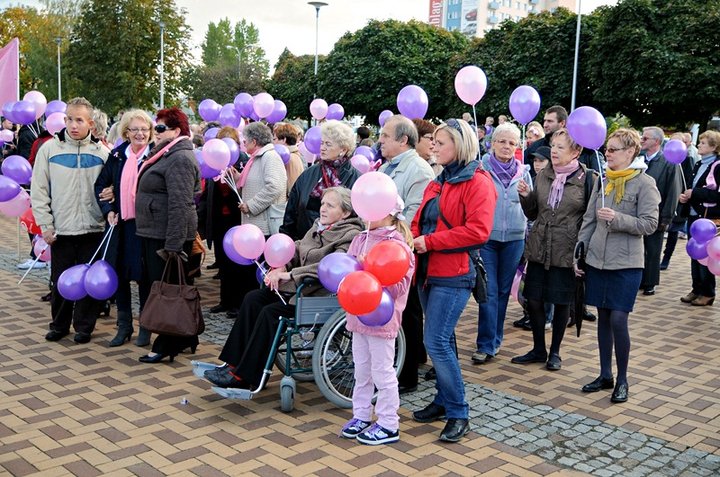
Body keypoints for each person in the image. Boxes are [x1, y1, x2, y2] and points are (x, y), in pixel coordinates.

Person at [204, 187, 364, 388]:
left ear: (346, 212)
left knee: (270, 313)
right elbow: (296, 249)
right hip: (297, 292)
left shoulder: (350, 235)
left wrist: (289, 274)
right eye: (322, 203)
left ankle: (245, 377)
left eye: (330, 206)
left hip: (317, 297)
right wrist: (281, 264)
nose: (322, 209)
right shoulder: (319, 227)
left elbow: (332, 268)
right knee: (253, 298)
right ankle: (232, 363)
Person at [411, 118, 496, 443]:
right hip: (427, 272)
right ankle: (443, 400)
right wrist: (414, 236)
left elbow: (478, 232)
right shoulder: (439, 179)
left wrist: (429, 242)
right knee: (441, 341)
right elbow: (420, 218)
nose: (434, 146)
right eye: (433, 141)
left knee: (436, 342)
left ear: (460, 145)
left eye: (441, 142)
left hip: (454, 274)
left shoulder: (477, 181)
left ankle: (459, 411)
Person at [576, 128, 660, 403]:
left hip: (626, 263)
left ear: (630, 152)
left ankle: (623, 379)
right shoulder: (603, 180)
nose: (607, 154)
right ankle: (605, 375)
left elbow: (650, 224)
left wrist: (618, 218)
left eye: (613, 150)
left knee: (618, 319)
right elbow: (589, 219)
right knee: (602, 317)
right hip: (597, 260)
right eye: (607, 149)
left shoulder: (644, 183)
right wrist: (581, 250)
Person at [512, 128, 595, 371]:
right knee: (534, 300)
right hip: (539, 248)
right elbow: (534, 214)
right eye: (553, 145)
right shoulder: (543, 175)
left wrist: (583, 254)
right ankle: (539, 348)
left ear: (576, 151)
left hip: (566, 250)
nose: (554, 151)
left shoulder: (588, 179)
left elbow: (589, 220)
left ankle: (555, 352)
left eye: (561, 147)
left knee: (561, 303)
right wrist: (526, 197)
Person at [30, 97, 110, 344]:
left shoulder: (102, 153)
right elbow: (39, 191)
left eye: (79, 120)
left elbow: (110, 187)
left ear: (90, 123)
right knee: (60, 281)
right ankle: (60, 325)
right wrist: (46, 225)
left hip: (93, 228)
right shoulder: (49, 150)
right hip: (61, 230)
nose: (73, 125)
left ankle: (84, 327)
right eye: (69, 119)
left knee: (87, 282)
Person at [341, 197, 415, 446]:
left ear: (387, 212)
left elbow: (400, 284)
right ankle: (361, 415)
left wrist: (368, 270)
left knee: (382, 372)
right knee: (361, 370)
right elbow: (348, 271)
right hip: (357, 315)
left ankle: (388, 423)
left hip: (381, 318)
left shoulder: (398, 245)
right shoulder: (360, 238)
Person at [135, 107, 201, 363]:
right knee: (173, 287)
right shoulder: (165, 153)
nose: (156, 132)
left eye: (161, 128)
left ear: (177, 131)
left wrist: (173, 245)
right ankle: (187, 337)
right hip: (156, 232)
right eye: (156, 127)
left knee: (168, 291)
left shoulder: (180, 158)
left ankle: (165, 344)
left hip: (167, 237)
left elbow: (181, 204)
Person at [379, 115, 436, 394]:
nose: (380, 140)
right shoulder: (389, 166)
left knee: (409, 311)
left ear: (403, 140)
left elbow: (412, 218)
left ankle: (408, 373)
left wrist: (389, 234)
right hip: (384, 249)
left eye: (386, 136)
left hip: (403, 251)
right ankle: (399, 363)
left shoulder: (419, 171)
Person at [94, 109, 155, 347]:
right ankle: (124, 326)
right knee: (119, 276)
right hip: (121, 226)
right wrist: (107, 209)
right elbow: (101, 184)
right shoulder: (118, 154)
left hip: (145, 227)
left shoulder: (155, 155)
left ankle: (146, 328)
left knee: (144, 278)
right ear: (126, 132)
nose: (140, 134)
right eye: (135, 129)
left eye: (144, 129)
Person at [473, 123, 532, 364]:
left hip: (515, 239)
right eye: (502, 141)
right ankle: (485, 343)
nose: (507, 147)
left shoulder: (524, 172)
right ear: (493, 143)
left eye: (512, 143)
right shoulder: (481, 168)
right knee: (489, 292)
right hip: (487, 239)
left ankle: (495, 339)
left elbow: (532, 208)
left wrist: (528, 195)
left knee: (504, 292)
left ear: (517, 146)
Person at [280, 120, 360, 241]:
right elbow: (292, 211)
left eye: (328, 144)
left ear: (343, 149)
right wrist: (287, 239)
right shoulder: (308, 174)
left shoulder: (356, 179)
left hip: (339, 246)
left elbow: (358, 219)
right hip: (305, 244)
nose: (322, 148)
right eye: (322, 143)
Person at [679, 130, 720, 306]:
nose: (699, 145)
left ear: (714, 146)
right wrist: (686, 196)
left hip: (708, 218)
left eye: (703, 143)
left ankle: (708, 292)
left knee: (705, 255)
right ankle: (696, 288)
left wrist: (693, 193)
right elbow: (693, 187)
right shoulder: (698, 164)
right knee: (694, 253)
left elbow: (716, 194)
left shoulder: (717, 166)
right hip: (694, 215)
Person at [639, 126, 680, 295]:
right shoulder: (639, 159)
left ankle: (650, 282)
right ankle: (641, 278)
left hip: (657, 213)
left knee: (653, 249)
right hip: (638, 213)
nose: (642, 140)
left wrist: (666, 218)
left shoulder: (669, 162)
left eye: (645, 138)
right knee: (639, 249)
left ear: (656, 141)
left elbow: (673, 192)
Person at [660, 132, 694, 271]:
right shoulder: (663, 159)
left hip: (679, 202)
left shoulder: (687, 160)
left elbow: (688, 180)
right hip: (665, 199)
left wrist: (682, 194)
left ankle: (666, 258)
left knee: (673, 230)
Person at [523, 105, 567, 177]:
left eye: (550, 121)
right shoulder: (534, 147)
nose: (545, 125)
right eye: (545, 121)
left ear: (562, 123)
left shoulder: (575, 148)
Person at [273, 122, 305, 193]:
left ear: (284, 140)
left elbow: (291, 187)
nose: (273, 143)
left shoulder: (289, 158)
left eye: (275, 139)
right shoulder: (295, 155)